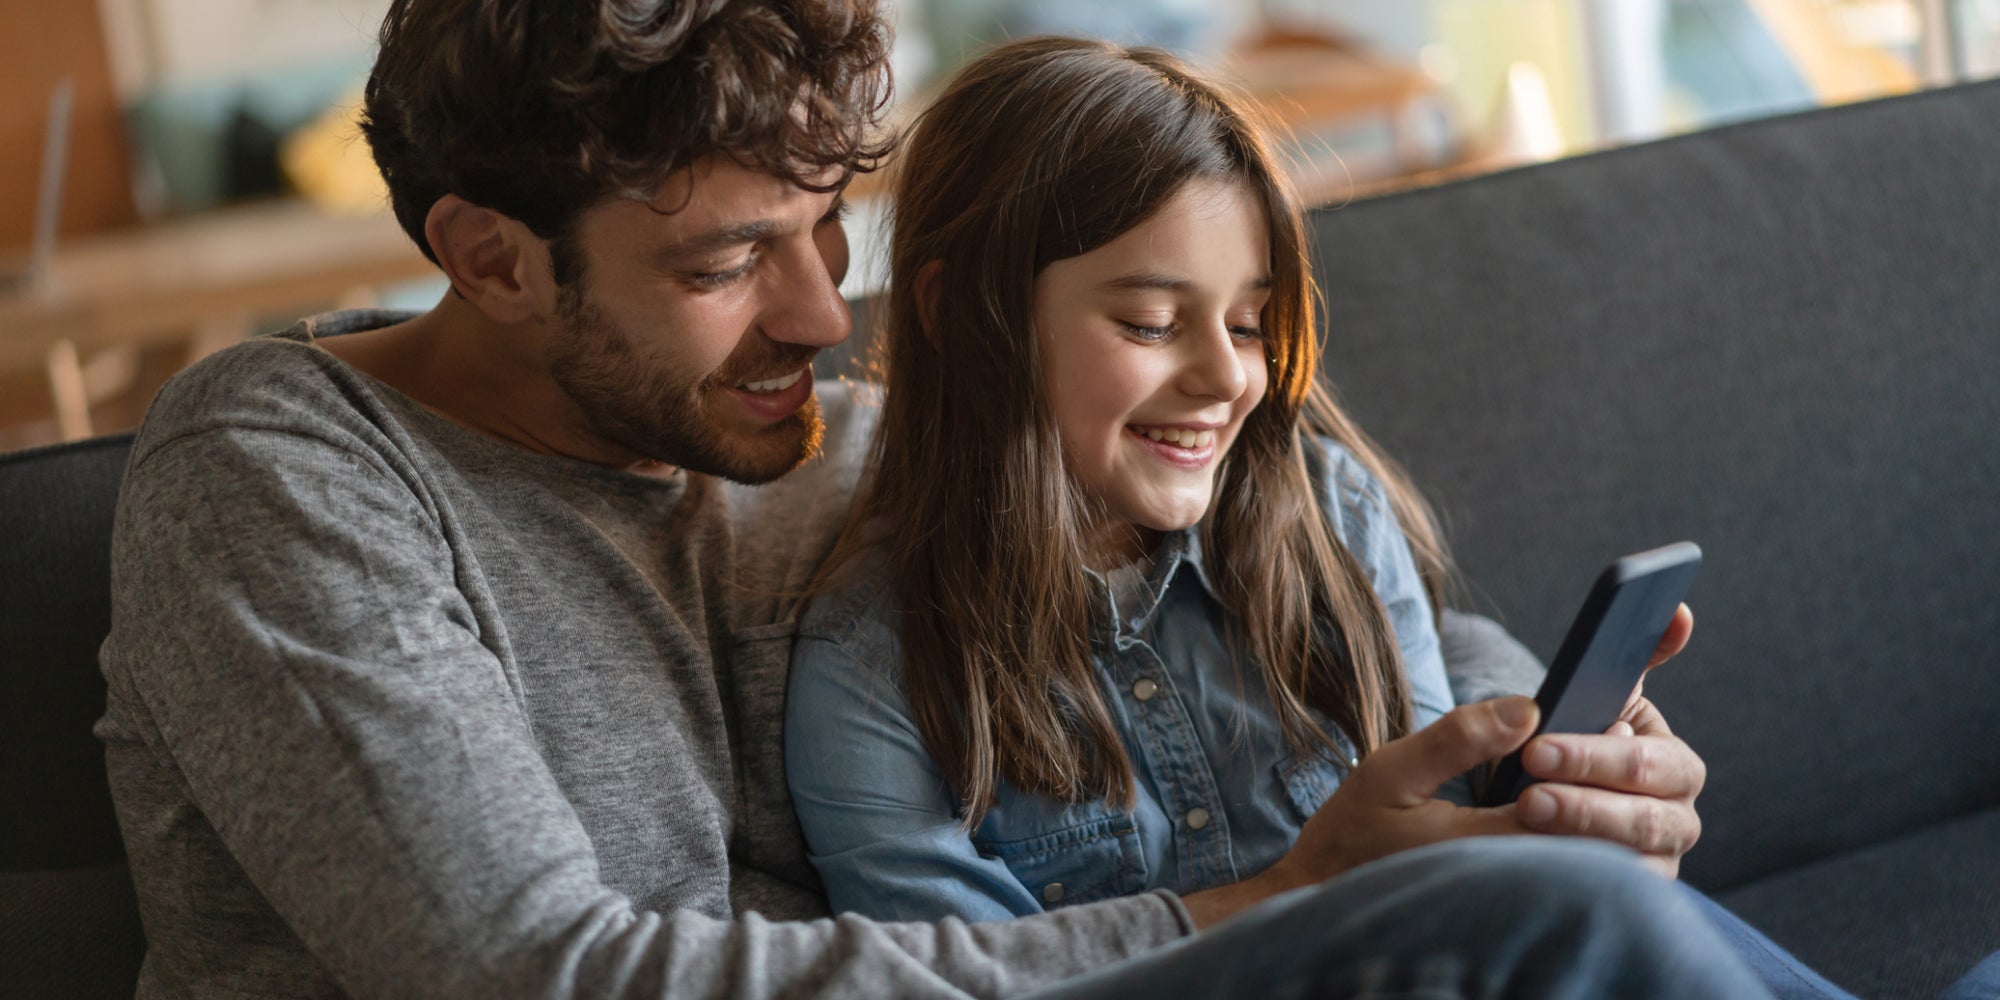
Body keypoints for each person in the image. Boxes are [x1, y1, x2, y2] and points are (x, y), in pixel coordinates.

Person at [95, 1, 1777, 997]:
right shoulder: (284, 478)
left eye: (830, 231)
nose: (827, 316)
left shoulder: (806, 430)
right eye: (731, 259)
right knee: (1524, 916)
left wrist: (1546, 750)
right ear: (487, 258)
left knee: (1565, 886)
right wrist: (1290, 897)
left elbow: (1258, 549)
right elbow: (544, 978)